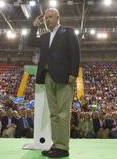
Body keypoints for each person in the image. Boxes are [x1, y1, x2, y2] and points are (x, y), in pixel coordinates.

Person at [28, 8, 80, 158]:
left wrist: (73, 73)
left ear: (58, 17)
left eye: (50, 17)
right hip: (48, 77)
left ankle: (63, 147)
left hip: (64, 77)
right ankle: (56, 144)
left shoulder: (68, 32)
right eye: (45, 18)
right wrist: (34, 26)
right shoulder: (44, 36)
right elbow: (30, 41)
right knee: (54, 114)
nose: (47, 19)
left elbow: (75, 53)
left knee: (63, 114)